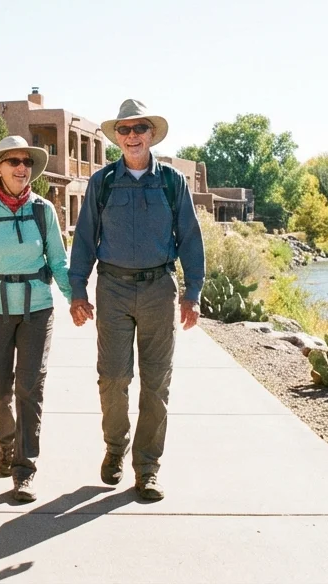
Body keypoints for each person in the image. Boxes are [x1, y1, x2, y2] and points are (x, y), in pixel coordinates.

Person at [68, 99, 204, 501]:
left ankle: (146, 468)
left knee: (156, 382)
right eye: (124, 131)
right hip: (112, 289)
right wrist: (78, 289)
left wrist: (192, 292)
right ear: (117, 138)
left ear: (151, 135)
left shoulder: (172, 182)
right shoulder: (103, 181)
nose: (131, 137)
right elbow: (85, 238)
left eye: (138, 129)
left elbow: (191, 239)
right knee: (113, 377)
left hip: (159, 289)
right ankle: (115, 448)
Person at [0, 135, 71, 503]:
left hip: (37, 309)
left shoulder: (43, 211)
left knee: (30, 388)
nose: (23, 168)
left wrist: (77, 300)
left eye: (27, 162)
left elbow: (58, 262)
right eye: (14, 162)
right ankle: (6, 443)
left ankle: (25, 469)